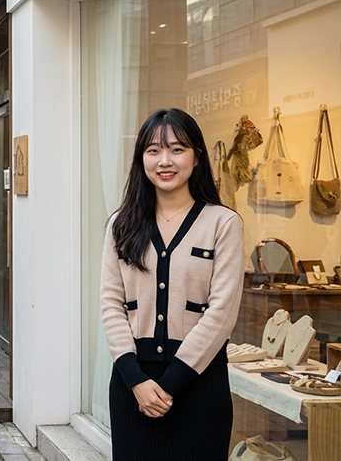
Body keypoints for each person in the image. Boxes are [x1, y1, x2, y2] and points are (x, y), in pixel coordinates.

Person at [100, 108, 244, 461]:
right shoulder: (121, 224)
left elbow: (221, 313)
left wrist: (168, 385)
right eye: (153, 150)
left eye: (177, 149)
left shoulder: (223, 223)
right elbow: (111, 305)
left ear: (197, 157)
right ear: (141, 160)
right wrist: (135, 381)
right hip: (133, 384)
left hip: (199, 385)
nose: (165, 160)